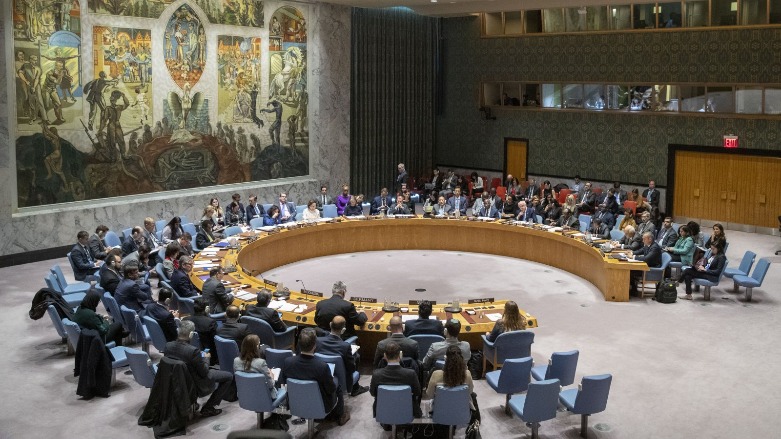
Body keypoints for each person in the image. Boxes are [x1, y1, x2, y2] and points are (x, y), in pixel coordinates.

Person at [279, 328, 350, 425]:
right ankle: (340, 415)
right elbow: (331, 389)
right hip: (321, 405)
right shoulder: (322, 366)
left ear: (299, 344)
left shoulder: (287, 362)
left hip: (295, 403)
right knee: (336, 383)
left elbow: (283, 385)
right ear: (315, 345)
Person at [164, 320, 232, 418]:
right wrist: (206, 358)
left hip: (177, 380)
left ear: (178, 331)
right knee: (228, 376)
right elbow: (204, 372)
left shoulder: (168, 346)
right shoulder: (192, 351)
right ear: (191, 334)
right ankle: (209, 407)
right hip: (195, 381)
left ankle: (194, 402)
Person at [316, 316, 369, 396]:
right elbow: (351, 368)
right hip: (342, 379)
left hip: (321, 376)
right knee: (356, 356)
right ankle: (355, 388)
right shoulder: (345, 346)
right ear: (343, 330)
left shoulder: (318, 341)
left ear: (330, 324)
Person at [370, 342, 422, 419]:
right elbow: (417, 392)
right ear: (400, 355)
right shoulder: (411, 374)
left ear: (385, 356)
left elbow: (373, 393)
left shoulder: (376, 374)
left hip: (383, 410)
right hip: (407, 410)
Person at [425, 345, 475, 409]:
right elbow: (470, 392)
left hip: (440, 412)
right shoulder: (467, 374)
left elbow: (429, 394)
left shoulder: (436, 374)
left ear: (446, 359)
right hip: (461, 412)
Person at [183, 297, 218, 366]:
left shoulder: (185, 320)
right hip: (207, 354)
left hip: (188, 352)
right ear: (207, 308)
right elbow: (214, 341)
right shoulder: (210, 322)